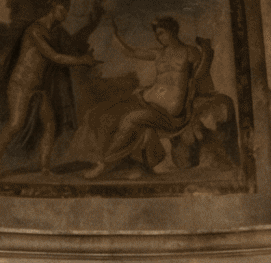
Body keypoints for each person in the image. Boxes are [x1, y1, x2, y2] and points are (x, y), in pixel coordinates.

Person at [84, 16, 208, 179]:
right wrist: (115, 35)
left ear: (172, 31)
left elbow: (200, 75)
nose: (158, 37)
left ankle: (104, 164)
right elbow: (131, 52)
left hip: (172, 115)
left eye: (162, 33)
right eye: (157, 34)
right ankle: (136, 163)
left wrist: (206, 53)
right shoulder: (159, 54)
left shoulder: (188, 51)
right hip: (149, 103)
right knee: (107, 114)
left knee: (131, 118)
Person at [0, 0, 101, 176]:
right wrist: (82, 60)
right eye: (62, 9)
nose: (65, 14)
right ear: (53, 7)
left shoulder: (54, 32)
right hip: (22, 84)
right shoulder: (35, 30)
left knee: (50, 124)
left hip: (39, 88)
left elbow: (72, 43)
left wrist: (93, 24)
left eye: (67, 10)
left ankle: (45, 169)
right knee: (16, 124)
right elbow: (55, 57)